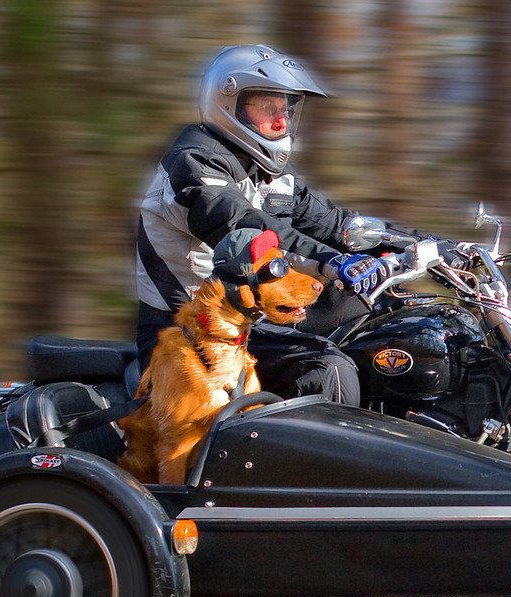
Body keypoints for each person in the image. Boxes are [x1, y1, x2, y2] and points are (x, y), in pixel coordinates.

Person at [133, 44, 393, 406]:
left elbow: (340, 225)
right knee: (327, 369)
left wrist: (435, 247)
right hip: (192, 334)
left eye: (286, 109)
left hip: (255, 321)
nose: (282, 121)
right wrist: (333, 261)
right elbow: (251, 229)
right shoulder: (193, 166)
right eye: (268, 108)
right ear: (230, 105)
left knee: (385, 320)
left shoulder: (271, 174)